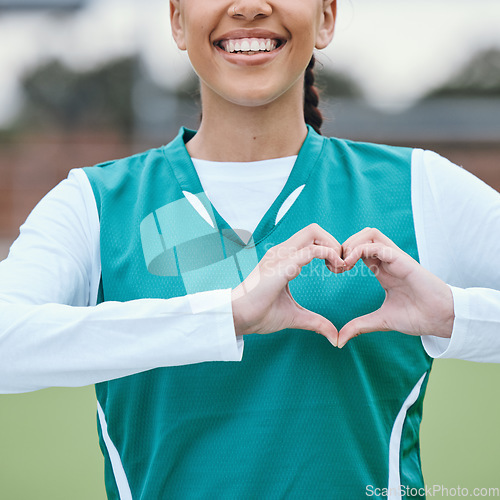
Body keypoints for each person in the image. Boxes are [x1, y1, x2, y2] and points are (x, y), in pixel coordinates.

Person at [0, 0, 499, 497]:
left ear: (325, 17)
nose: (249, 6)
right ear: (177, 19)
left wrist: (455, 315)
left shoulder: (415, 188)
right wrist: (226, 317)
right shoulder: (96, 203)